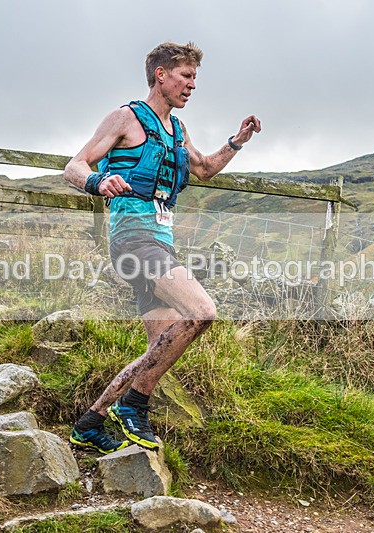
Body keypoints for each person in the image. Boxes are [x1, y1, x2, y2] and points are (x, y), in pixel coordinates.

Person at [64, 41, 261, 453]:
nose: (192, 86)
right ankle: (133, 406)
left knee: (161, 348)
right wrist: (99, 182)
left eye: (194, 78)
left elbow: (204, 169)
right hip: (133, 240)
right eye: (186, 77)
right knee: (202, 312)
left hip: (160, 242)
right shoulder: (126, 118)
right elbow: (75, 165)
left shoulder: (178, 130)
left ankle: (90, 422)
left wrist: (237, 142)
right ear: (161, 75)